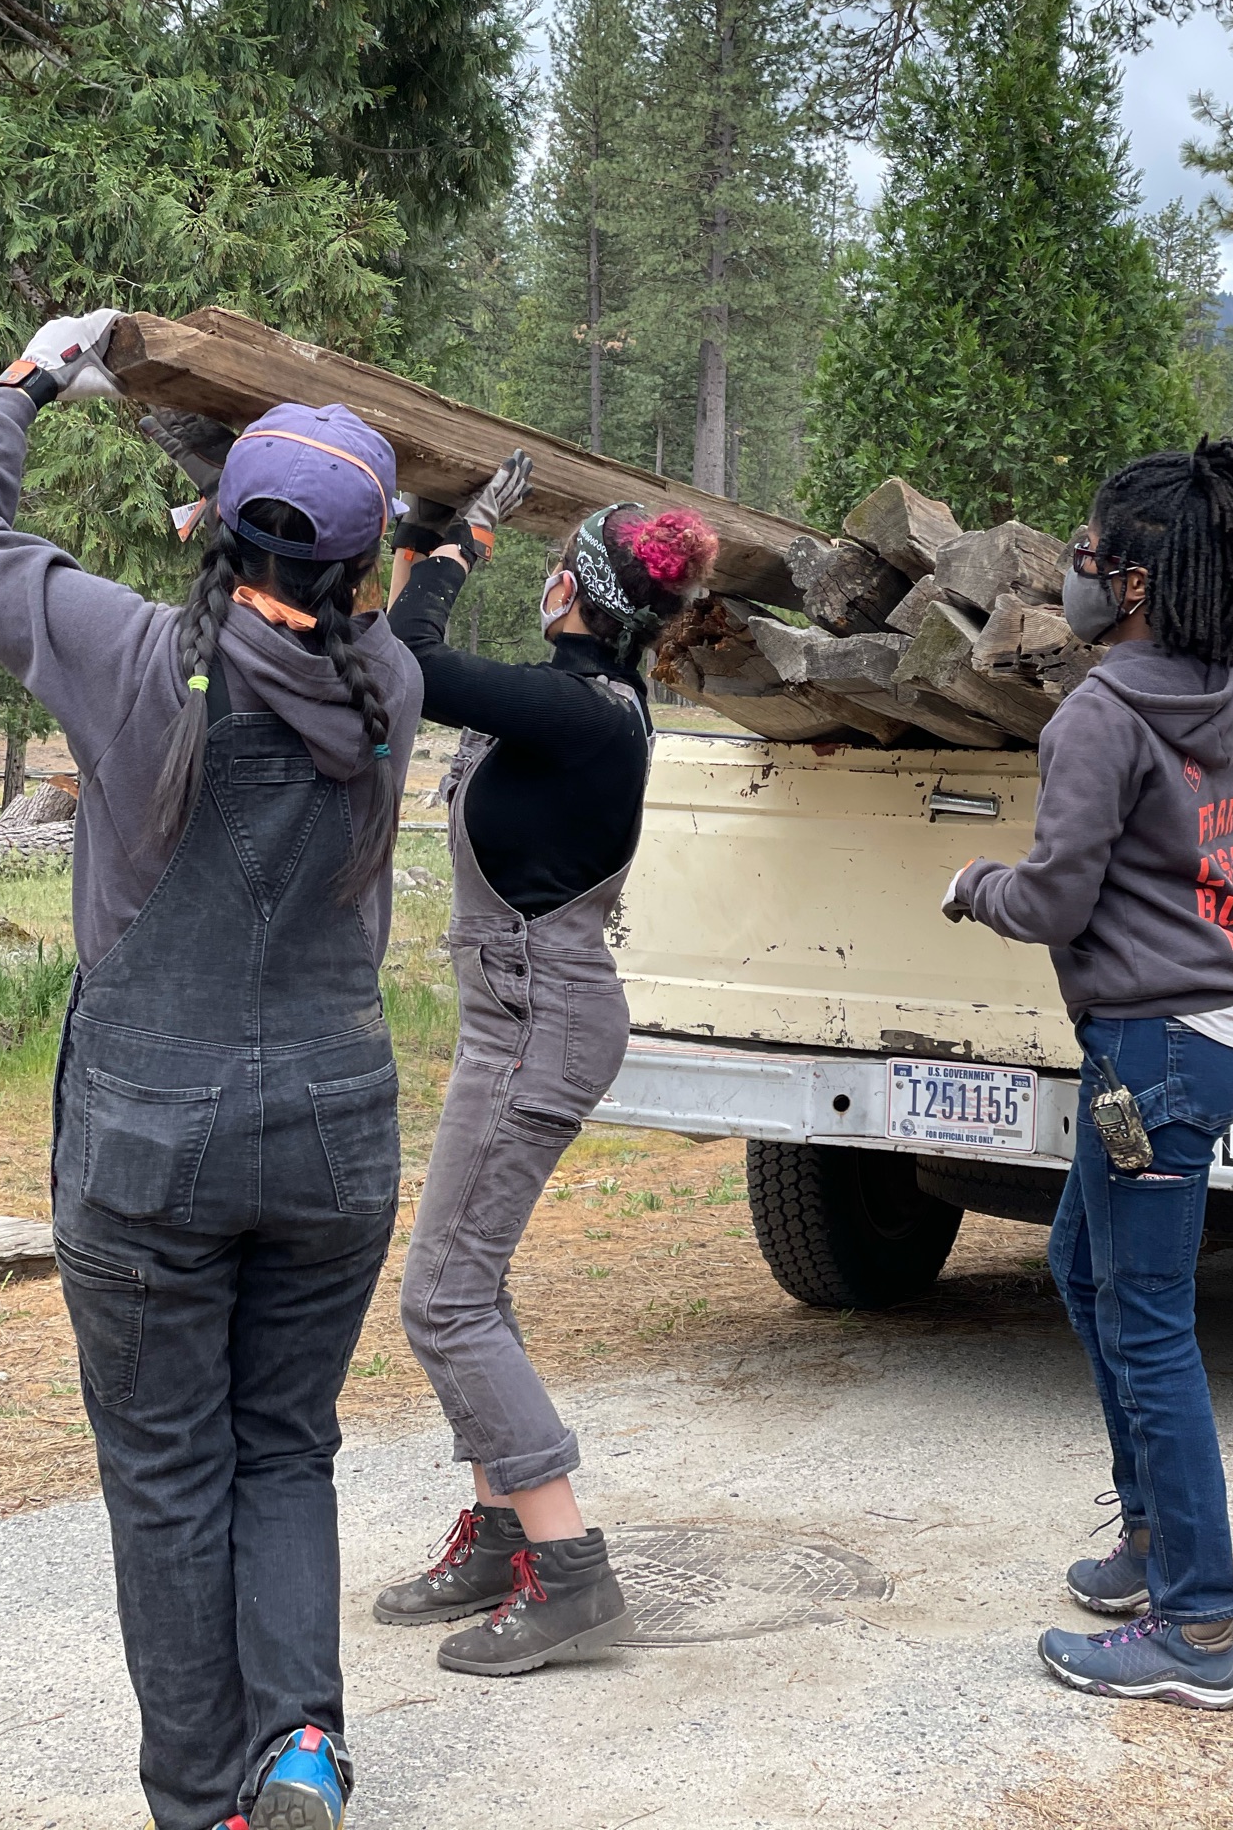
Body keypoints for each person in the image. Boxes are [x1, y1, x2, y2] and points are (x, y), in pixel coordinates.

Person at [0, 312, 425, 1830]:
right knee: (287, 1446)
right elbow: (363, 596)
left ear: (217, 542)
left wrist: (27, 380)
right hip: (338, 1131)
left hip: (148, 1138)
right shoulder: (388, 687)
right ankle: (302, 1752)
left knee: (164, 1470)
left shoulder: (136, 655)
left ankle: (205, 1796)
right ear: (368, 572)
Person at [943, 437, 1233, 1710]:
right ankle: (1150, 1540)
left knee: (1149, 1329)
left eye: (1088, 559)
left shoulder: (1096, 715)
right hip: (1213, 1027)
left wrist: (971, 886)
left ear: (1135, 584)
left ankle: (1198, 1629)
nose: (1073, 576)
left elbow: (1053, 896)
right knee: (1082, 1267)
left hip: (1157, 1050)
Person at [373, 486, 717, 1676]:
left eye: (553, 563)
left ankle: (572, 1575)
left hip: (541, 1017)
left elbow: (408, 658)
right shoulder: (582, 701)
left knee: (445, 1298)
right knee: (472, 1283)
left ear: (570, 587)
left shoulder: (582, 714)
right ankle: (499, 1536)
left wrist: (455, 549)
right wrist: (423, 537)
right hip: (523, 1012)